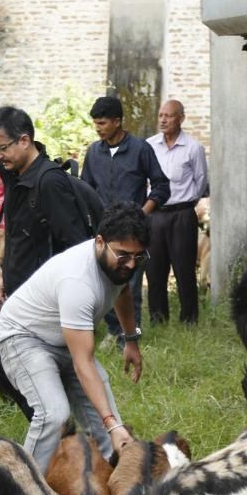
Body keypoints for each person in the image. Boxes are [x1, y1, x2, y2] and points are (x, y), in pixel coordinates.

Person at [0, 203, 148, 470]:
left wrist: (130, 340)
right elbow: (83, 363)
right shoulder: (77, 282)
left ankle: (110, 486)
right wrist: (111, 422)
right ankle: (22, 487)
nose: (131, 264)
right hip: (23, 337)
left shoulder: (117, 264)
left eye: (138, 256)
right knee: (54, 415)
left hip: (62, 339)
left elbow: (122, 291)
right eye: (124, 255)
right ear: (99, 242)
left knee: (110, 430)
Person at [80, 96, 171, 341]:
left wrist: (142, 213)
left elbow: (162, 186)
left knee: (129, 285)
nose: (98, 128)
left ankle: (130, 337)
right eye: (95, 123)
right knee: (103, 282)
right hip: (104, 232)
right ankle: (113, 331)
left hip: (133, 233)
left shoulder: (141, 149)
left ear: (117, 121)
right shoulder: (93, 152)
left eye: (102, 123)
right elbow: (85, 189)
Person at [0, 106, 90, 295]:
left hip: (44, 296)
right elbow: (19, 239)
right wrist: (8, 277)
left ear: (24, 141)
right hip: (21, 291)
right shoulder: (14, 176)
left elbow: (76, 247)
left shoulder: (49, 182)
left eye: (2, 148)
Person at [146, 99, 208, 324]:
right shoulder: (149, 146)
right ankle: (158, 320)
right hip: (154, 214)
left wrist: (185, 203)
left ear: (181, 118)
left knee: (184, 271)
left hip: (182, 215)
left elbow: (201, 183)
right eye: (161, 115)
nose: (163, 120)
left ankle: (189, 321)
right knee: (154, 270)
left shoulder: (193, 148)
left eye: (169, 116)